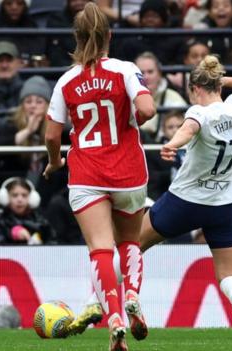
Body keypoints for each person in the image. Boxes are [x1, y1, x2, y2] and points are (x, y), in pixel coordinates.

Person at [42, 3, 156, 350]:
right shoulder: (124, 70)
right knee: (130, 242)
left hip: (87, 173)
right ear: (110, 36)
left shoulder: (66, 80)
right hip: (128, 170)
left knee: (100, 250)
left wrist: (54, 162)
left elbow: (51, 135)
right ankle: (133, 294)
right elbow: (148, 109)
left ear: (76, 39)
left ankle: (115, 316)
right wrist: (132, 119)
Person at [138, 55, 232, 340]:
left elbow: (188, 128)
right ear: (217, 84)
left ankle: (94, 303)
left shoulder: (199, 112)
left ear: (194, 88)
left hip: (186, 202)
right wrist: (223, 80)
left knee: (133, 246)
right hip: (225, 204)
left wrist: (171, 143)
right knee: (228, 273)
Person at [135, 52, 187, 140]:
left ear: (159, 74)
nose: (146, 77)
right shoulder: (126, 98)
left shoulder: (174, 99)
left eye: (150, 72)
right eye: (141, 72)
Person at [0, 177, 56, 245]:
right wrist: (11, 233)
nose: (20, 200)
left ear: (32, 198)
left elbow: (52, 240)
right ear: (5, 198)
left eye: (24, 195)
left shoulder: (41, 221)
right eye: (15, 195)